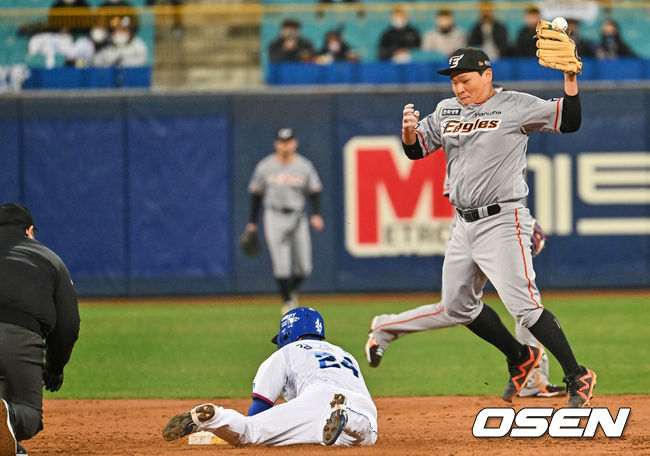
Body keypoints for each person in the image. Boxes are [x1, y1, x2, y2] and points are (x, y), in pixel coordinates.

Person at [398, 47, 596, 408]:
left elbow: (570, 120)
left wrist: (570, 80)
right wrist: (410, 134)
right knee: (457, 306)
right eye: (455, 82)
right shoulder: (447, 110)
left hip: (503, 220)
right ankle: (520, 357)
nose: (459, 88)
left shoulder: (515, 105)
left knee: (524, 306)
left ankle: (577, 374)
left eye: (465, 80)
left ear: (486, 75)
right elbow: (417, 150)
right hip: (463, 223)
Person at [162, 307, 377, 447]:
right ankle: (345, 417)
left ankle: (214, 417)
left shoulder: (286, 352)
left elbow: (260, 406)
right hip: (363, 406)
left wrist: (255, 424)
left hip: (316, 398)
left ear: (286, 334)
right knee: (363, 438)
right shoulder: (345, 354)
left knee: (250, 433)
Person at [0, 203, 80, 456]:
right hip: (19, 338)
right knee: (28, 414)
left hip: (17, 336)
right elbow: (68, 325)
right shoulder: (50, 259)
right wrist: (55, 368)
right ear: (30, 231)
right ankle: (10, 417)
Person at [245, 128, 324, 314]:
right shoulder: (265, 166)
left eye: (288, 141)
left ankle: (290, 289)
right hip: (273, 215)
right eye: (282, 141)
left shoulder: (304, 166)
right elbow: (256, 195)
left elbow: (315, 192)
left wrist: (317, 214)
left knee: (304, 268)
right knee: (281, 265)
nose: (285, 145)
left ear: (295, 143)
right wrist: (252, 223)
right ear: (276, 144)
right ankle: (288, 300)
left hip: (298, 216)